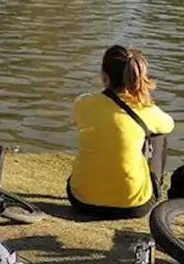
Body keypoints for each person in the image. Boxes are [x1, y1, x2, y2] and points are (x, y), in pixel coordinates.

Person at [67, 45, 174, 219]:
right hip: (133, 206)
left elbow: (79, 110)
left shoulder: (85, 104)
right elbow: (169, 124)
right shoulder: (146, 110)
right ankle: (155, 188)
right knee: (158, 134)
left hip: (81, 201)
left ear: (105, 77)